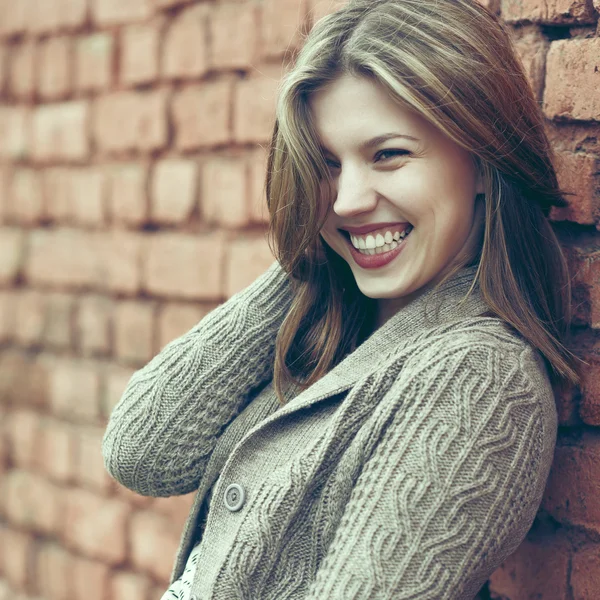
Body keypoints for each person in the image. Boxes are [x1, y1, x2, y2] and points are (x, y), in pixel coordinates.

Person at [102, 1, 585, 598]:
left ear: (483, 162)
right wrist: (314, 254)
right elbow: (144, 449)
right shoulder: (340, 322)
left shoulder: (479, 378)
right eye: (326, 165)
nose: (348, 198)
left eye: (388, 154)